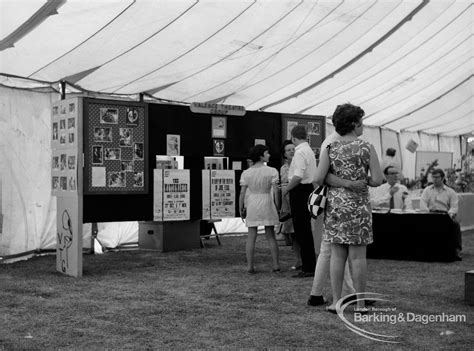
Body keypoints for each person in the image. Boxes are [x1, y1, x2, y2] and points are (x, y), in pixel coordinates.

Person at [313, 103, 383, 312]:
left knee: (337, 256)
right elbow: (378, 179)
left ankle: (336, 301)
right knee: (358, 257)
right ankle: (360, 304)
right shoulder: (366, 147)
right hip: (359, 206)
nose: (363, 125)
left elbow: (318, 178)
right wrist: (360, 180)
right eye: (361, 121)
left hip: (336, 207)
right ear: (354, 124)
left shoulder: (330, 147)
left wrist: (341, 182)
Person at [281, 125, 318, 277]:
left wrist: (287, 189)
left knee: (301, 230)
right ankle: (309, 265)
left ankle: (308, 267)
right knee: (305, 230)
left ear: (293, 137)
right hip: (307, 189)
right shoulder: (309, 150)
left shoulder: (300, 152)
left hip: (300, 191)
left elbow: (298, 176)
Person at [239, 144, 281, 273]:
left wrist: (240, 207)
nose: (269, 155)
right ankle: (275, 265)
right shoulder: (272, 171)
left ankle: (250, 266)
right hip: (267, 201)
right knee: (270, 235)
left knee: (251, 236)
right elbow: (276, 191)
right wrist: (278, 206)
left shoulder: (246, 173)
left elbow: (242, 193)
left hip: (252, 202)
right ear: (261, 155)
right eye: (267, 153)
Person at [420, 168, 461, 260]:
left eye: (437, 177)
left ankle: (456, 250)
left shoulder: (451, 192)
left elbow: (454, 207)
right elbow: (422, 204)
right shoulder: (427, 190)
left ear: (442, 178)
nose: (434, 179)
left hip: (445, 215)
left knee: (455, 224)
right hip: (430, 215)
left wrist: (448, 216)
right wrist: (427, 213)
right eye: (433, 177)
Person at [279, 140, 302, 270]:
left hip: (299, 199)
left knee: (301, 232)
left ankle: (305, 259)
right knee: (292, 233)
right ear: (284, 154)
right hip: (288, 202)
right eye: (288, 150)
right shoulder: (283, 168)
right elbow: (283, 185)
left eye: (293, 149)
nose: (292, 151)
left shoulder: (300, 164)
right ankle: (298, 259)